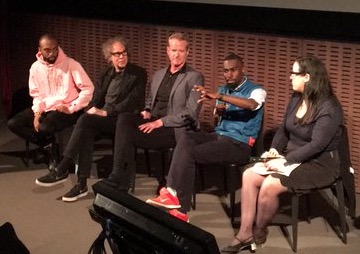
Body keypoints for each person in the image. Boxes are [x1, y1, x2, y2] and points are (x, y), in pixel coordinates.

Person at [220, 55, 344, 253]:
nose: (290, 77)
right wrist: (275, 150)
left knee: (270, 185)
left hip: (318, 164)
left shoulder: (329, 107)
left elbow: (317, 145)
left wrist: (285, 160)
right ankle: (245, 233)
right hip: (292, 157)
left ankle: (259, 233)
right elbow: (284, 130)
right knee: (249, 175)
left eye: (294, 73)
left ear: (307, 77)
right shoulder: (296, 97)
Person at [146, 53, 267, 222]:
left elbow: (252, 105)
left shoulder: (256, 90)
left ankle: (180, 209)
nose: (228, 74)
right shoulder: (224, 89)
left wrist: (220, 97)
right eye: (225, 71)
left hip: (240, 144)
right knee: (187, 137)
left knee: (191, 154)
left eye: (233, 70)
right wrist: (218, 111)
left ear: (243, 69)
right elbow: (217, 121)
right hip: (220, 136)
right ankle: (172, 192)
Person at [34, 35, 147, 202]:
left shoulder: (138, 73)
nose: (122, 57)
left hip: (124, 119)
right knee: (86, 125)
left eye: (124, 53)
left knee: (85, 122)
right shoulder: (105, 74)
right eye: (117, 54)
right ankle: (81, 183)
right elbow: (96, 98)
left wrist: (106, 113)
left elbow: (132, 102)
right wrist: (91, 109)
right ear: (110, 57)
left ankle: (63, 167)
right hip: (104, 119)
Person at [101, 32, 205, 193]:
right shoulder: (159, 74)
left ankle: (123, 181)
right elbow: (150, 99)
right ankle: (117, 176)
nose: (177, 54)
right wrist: (147, 111)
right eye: (174, 50)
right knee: (124, 118)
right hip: (154, 121)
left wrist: (160, 122)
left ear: (187, 52)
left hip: (174, 128)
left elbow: (190, 113)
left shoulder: (194, 77)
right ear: (168, 51)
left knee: (126, 137)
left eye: (181, 51)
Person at [7, 34, 94, 171]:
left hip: (67, 108)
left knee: (45, 127)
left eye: (55, 49)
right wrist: (37, 113)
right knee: (14, 123)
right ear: (40, 50)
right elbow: (36, 94)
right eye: (47, 50)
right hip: (45, 107)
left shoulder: (71, 64)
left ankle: (50, 152)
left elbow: (88, 88)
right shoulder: (35, 68)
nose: (52, 53)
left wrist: (72, 107)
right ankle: (48, 146)